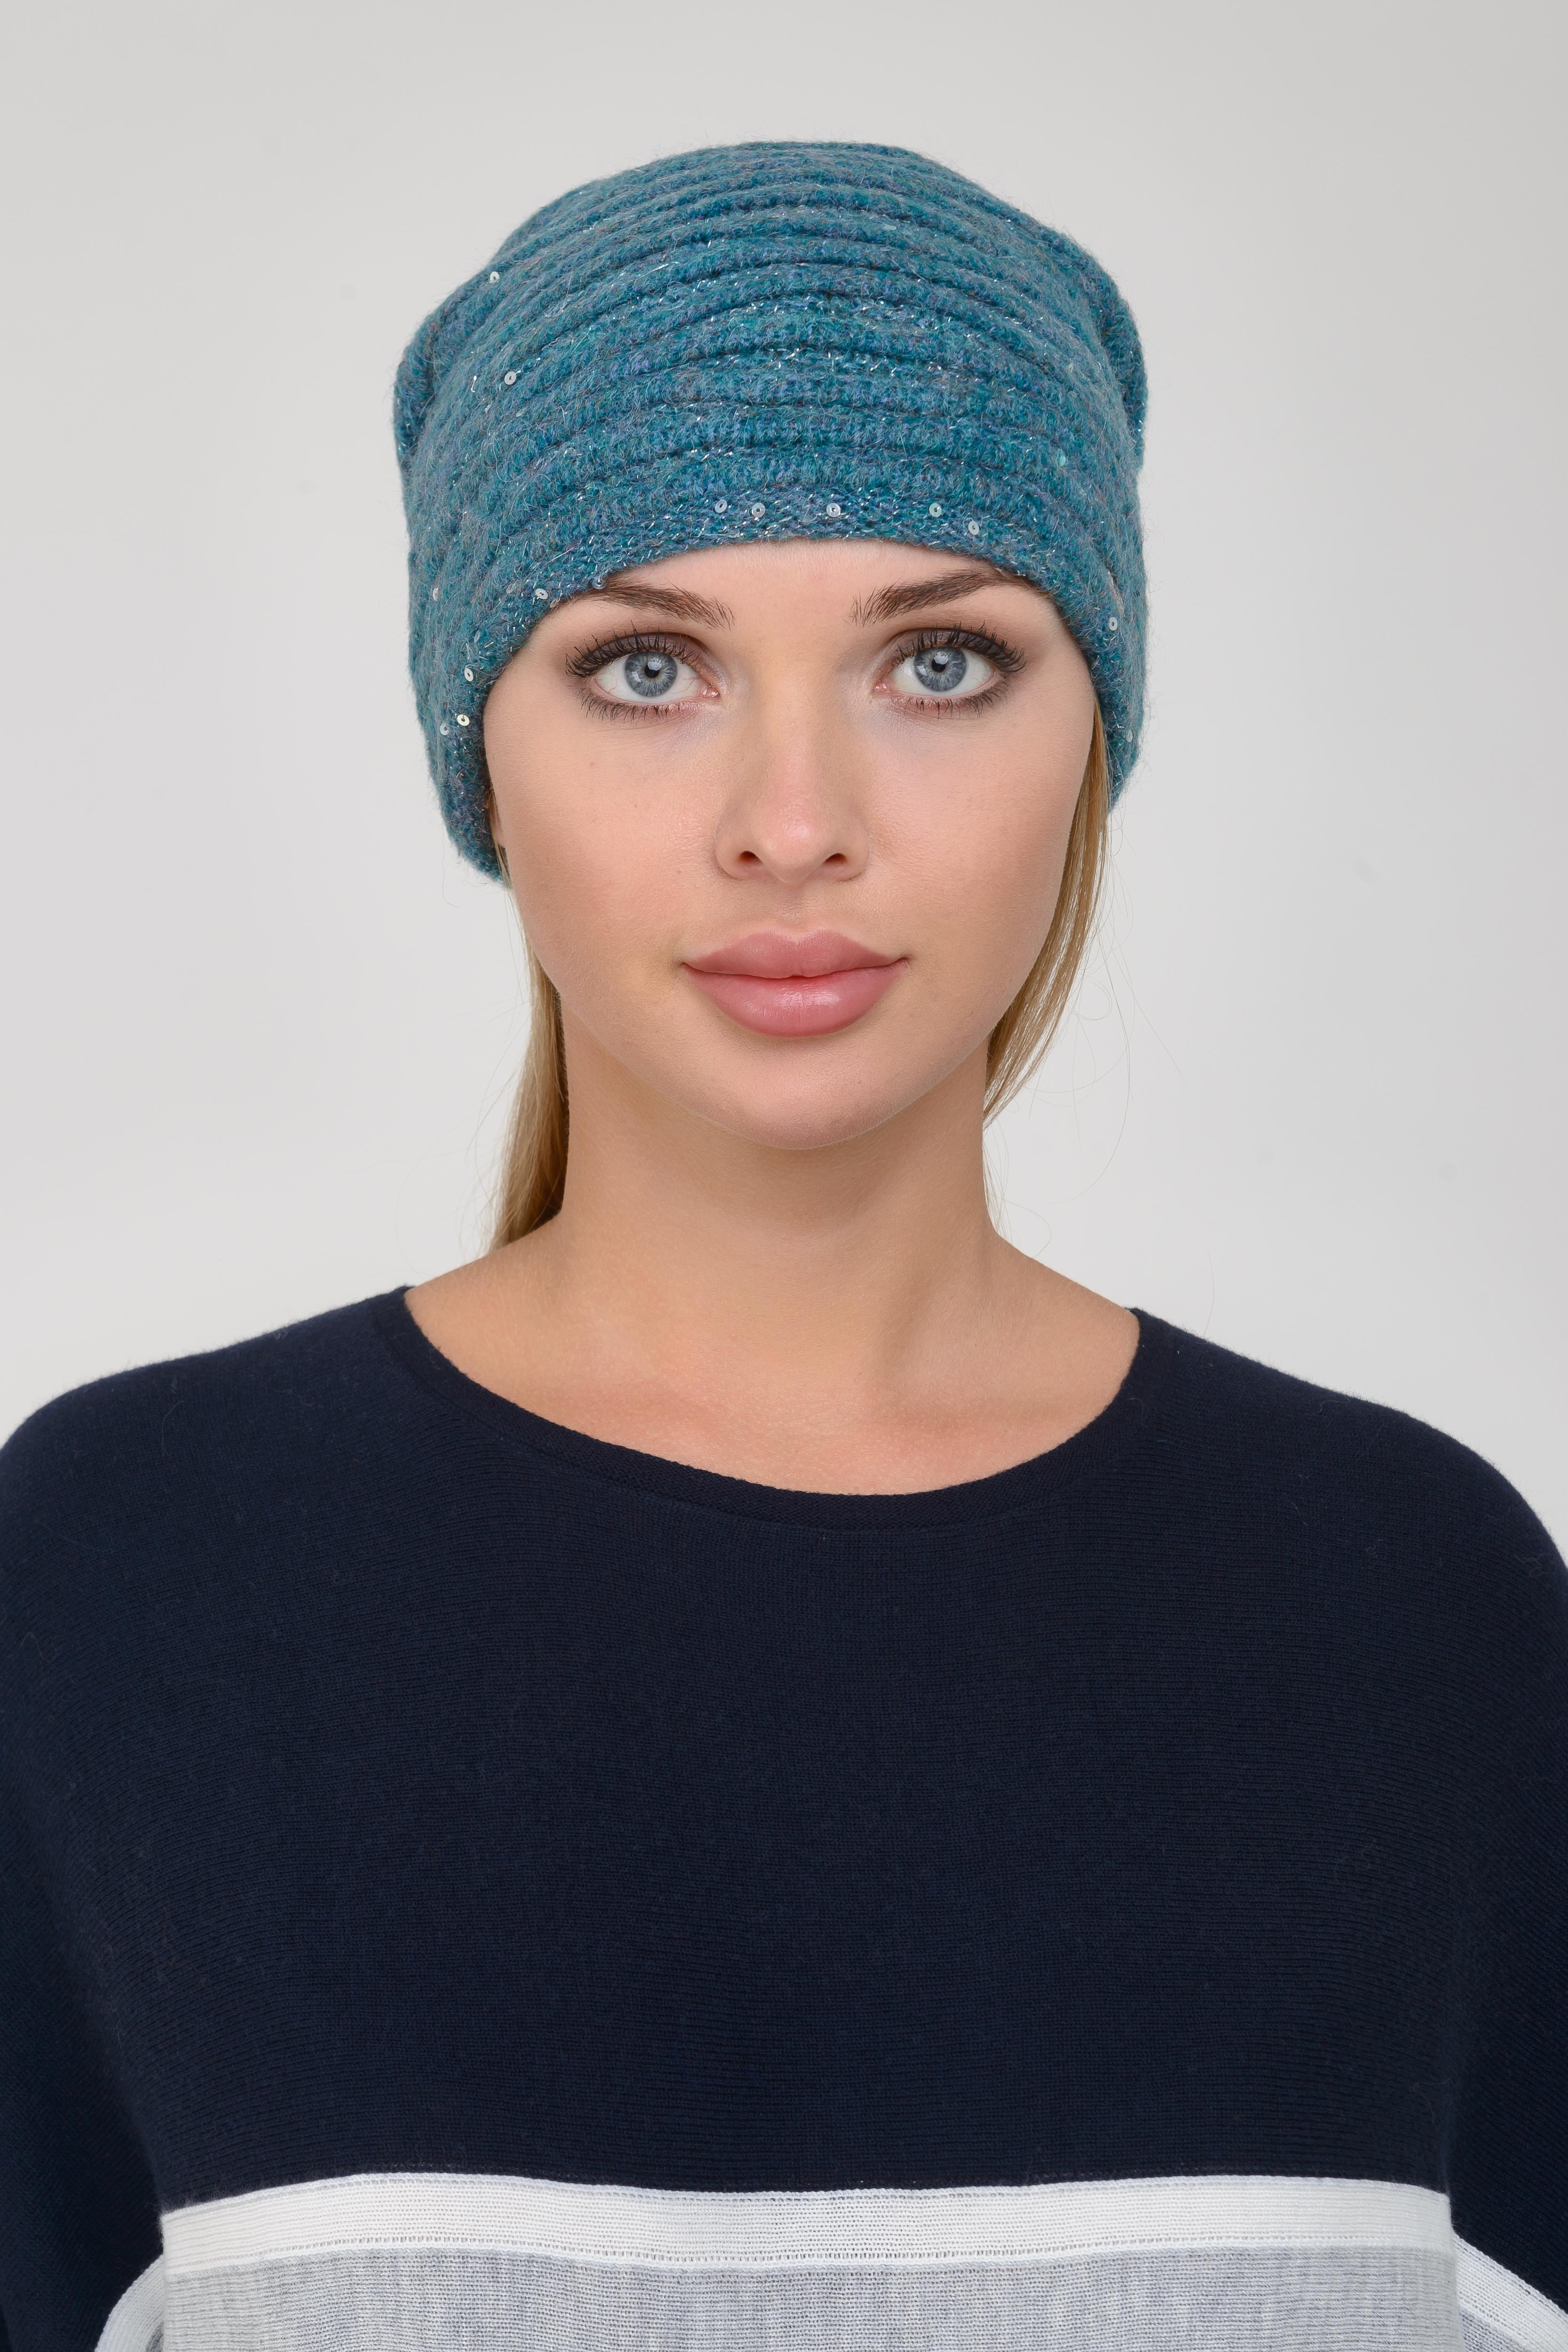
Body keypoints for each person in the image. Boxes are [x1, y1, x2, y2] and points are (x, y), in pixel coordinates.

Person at [0, 141, 1562, 2352]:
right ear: (481, 758)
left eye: (942, 659)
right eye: (649, 666)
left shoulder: (1418, 1605)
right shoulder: (120, 1580)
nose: (796, 818)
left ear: (1095, 733)